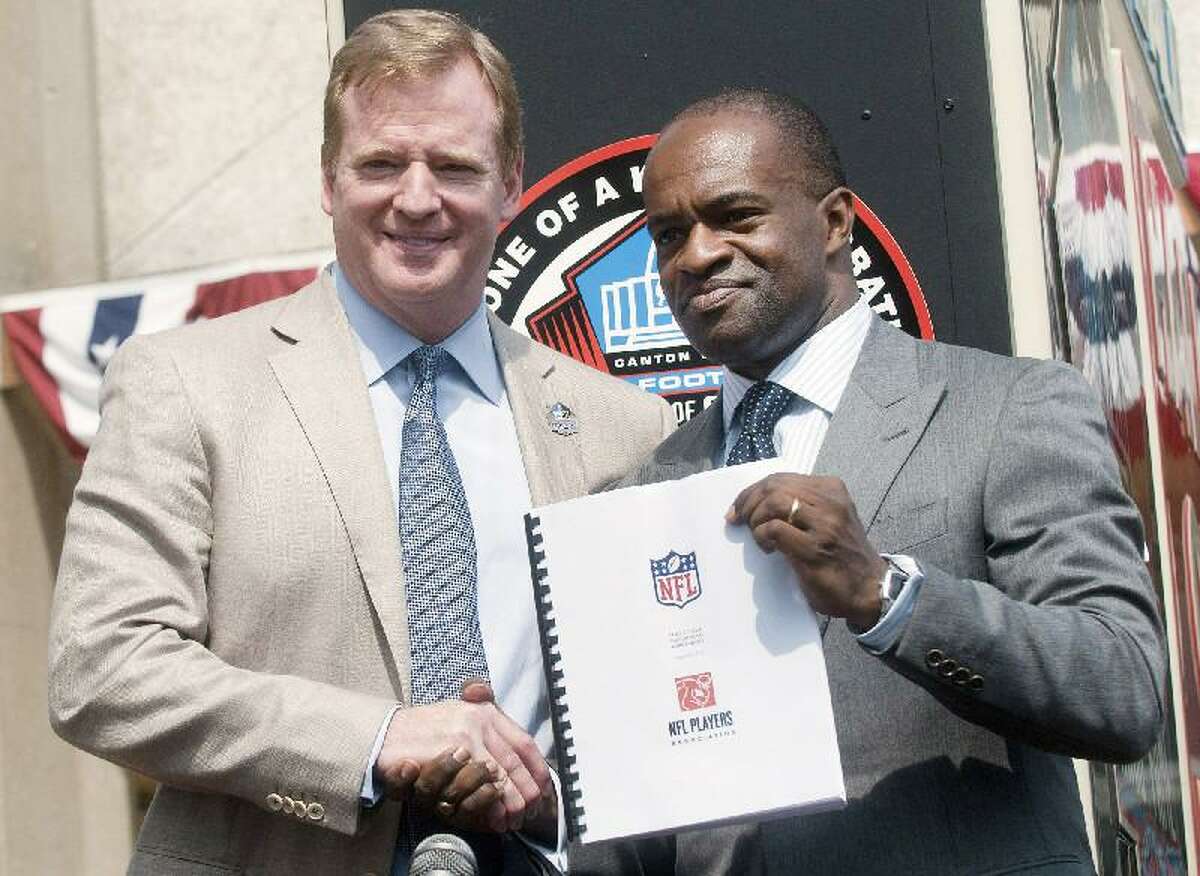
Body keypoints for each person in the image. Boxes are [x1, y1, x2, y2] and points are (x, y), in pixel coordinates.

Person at [47, 10, 674, 876]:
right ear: (328, 179)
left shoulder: (623, 428)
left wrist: (550, 800)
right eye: (382, 163)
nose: (417, 198)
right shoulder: (184, 385)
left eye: (455, 166)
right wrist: (377, 739)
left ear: (511, 183)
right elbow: (102, 669)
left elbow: (657, 718)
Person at [616, 88, 1167, 874]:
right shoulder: (644, 494)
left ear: (836, 222)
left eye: (735, 216)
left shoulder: (1007, 408)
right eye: (670, 235)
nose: (696, 255)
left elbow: (1119, 687)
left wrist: (888, 596)